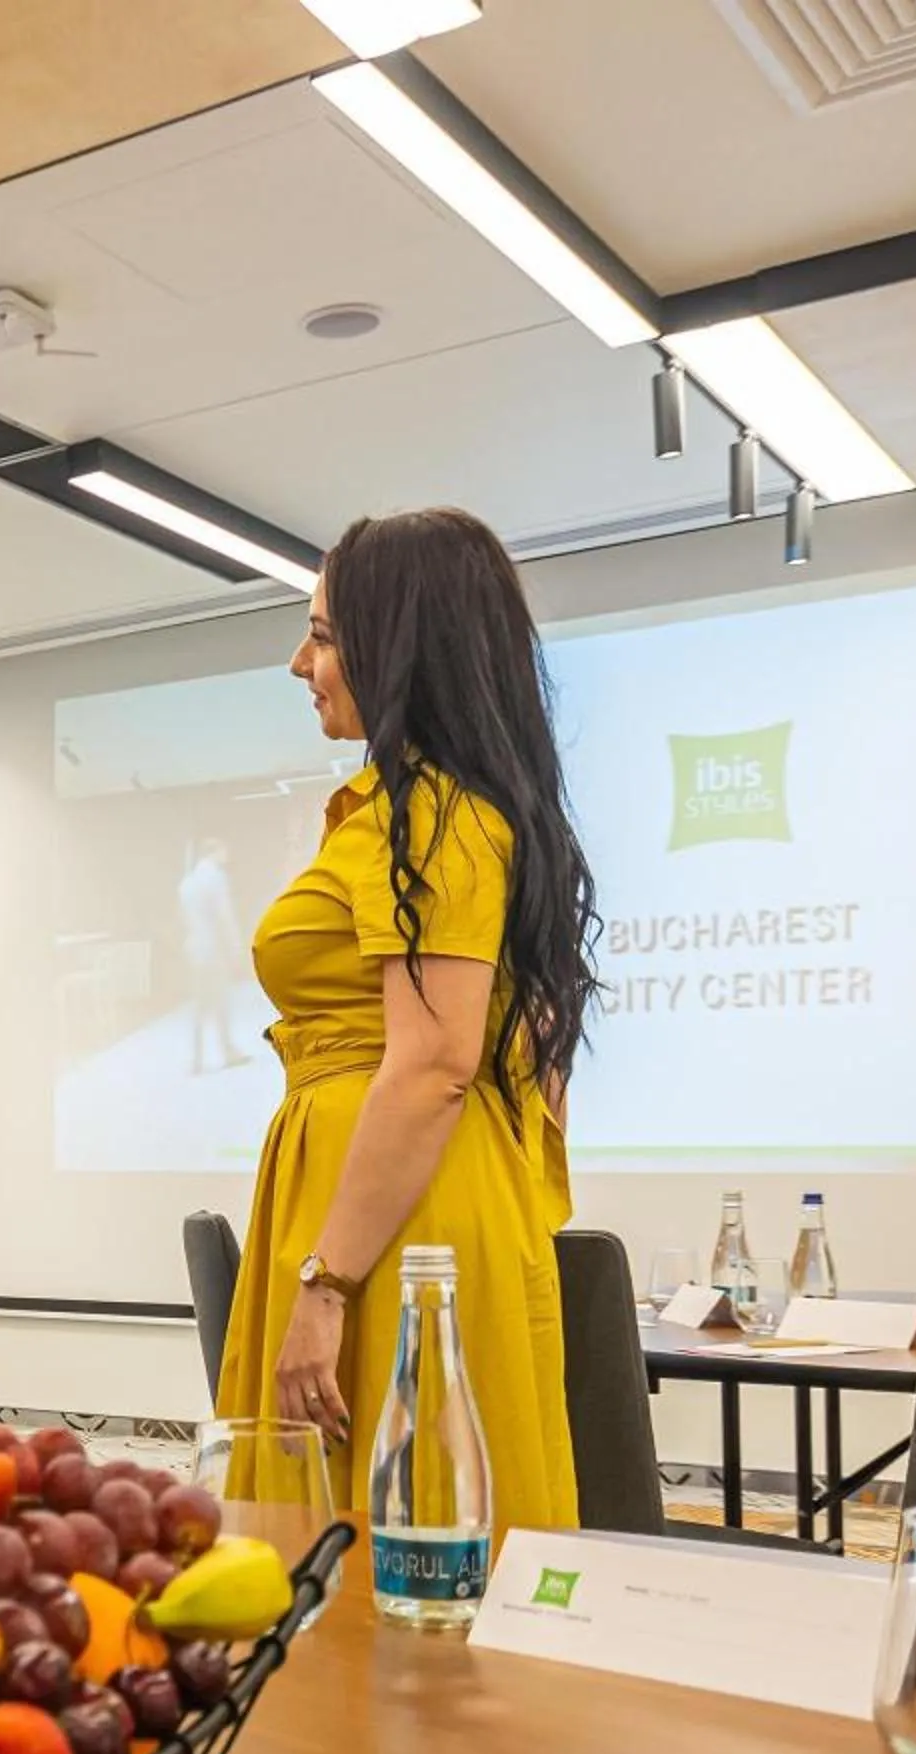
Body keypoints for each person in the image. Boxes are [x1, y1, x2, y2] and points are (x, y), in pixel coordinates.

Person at [217, 509, 598, 1526]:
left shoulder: (432, 814)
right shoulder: (418, 808)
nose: (302, 661)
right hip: (383, 1205)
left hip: (393, 1228)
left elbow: (434, 1065)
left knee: (402, 1539)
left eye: (328, 636)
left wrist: (329, 1282)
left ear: (403, 646)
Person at [177, 836, 250, 1073]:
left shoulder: (187, 882)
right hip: (214, 948)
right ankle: (227, 1050)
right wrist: (236, 945)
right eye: (223, 852)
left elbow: (184, 920)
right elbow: (224, 915)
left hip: (195, 948)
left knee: (200, 1004)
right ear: (215, 852)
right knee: (220, 1001)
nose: (226, 857)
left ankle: (196, 1058)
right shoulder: (216, 878)